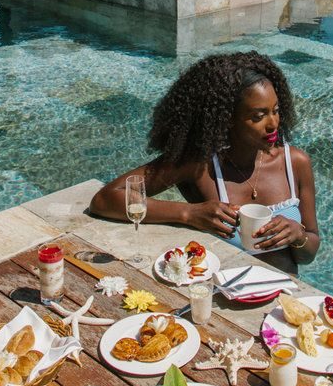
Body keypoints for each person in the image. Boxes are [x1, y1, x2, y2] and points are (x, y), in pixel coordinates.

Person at [90, 51, 320, 273]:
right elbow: (105, 199)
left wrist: (298, 235)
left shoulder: (295, 163)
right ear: (227, 119)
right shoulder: (201, 166)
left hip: (288, 294)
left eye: (276, 110)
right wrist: (189, 213)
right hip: (222, 295)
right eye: (258, 116)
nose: (273, 124)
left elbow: (308, 255)